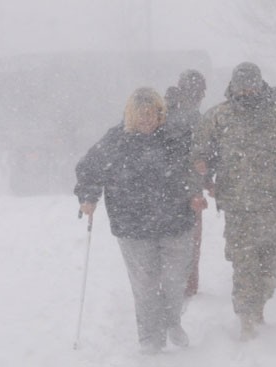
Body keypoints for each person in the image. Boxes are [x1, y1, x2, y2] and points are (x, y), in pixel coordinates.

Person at [74, 87, 207, 354]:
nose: (146, 120)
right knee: (145, 284)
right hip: (133, 225)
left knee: (174, 280)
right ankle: (149, 337)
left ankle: (172, 323)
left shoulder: (177, 136)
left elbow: (196, 166)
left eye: (151, 114)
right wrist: (88, 197)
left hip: (175, 220)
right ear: (130, 116)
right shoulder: (115, 141)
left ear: (161, 113)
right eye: (139, 115)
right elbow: (88, 169)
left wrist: (195, 191)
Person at [190, 62, 276, 341]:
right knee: (244, 262)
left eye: (251, 84)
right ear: (233, 86)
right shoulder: (219, 116)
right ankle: (246, 315)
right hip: (237, 204)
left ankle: (259, 304)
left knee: (271, 262)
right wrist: (203, 171)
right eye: (241, 85)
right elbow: (199, 150)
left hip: (272, 204)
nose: (246, 90)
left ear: (260, 84)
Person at [163, 70, 211, 298]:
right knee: (191, 237)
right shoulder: (193, 116)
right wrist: (204, 180)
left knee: (166, 237)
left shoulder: (163, 110)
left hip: (162, 187)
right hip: (189, 187)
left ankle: (170, 282)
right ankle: (188, 285)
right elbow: (199, 155)